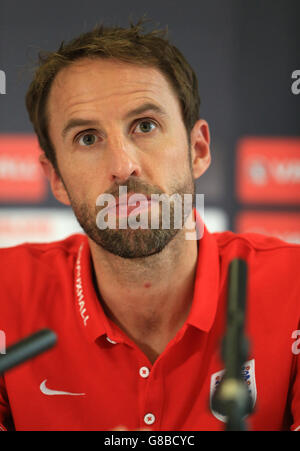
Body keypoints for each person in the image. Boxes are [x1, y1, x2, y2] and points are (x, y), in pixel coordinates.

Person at [0, 18, 299, 432]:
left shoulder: (294, 287)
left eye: (145, 126)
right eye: (88, 138)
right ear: (55, 178)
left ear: (197, 149)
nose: (123, 167)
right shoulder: (6, 294)